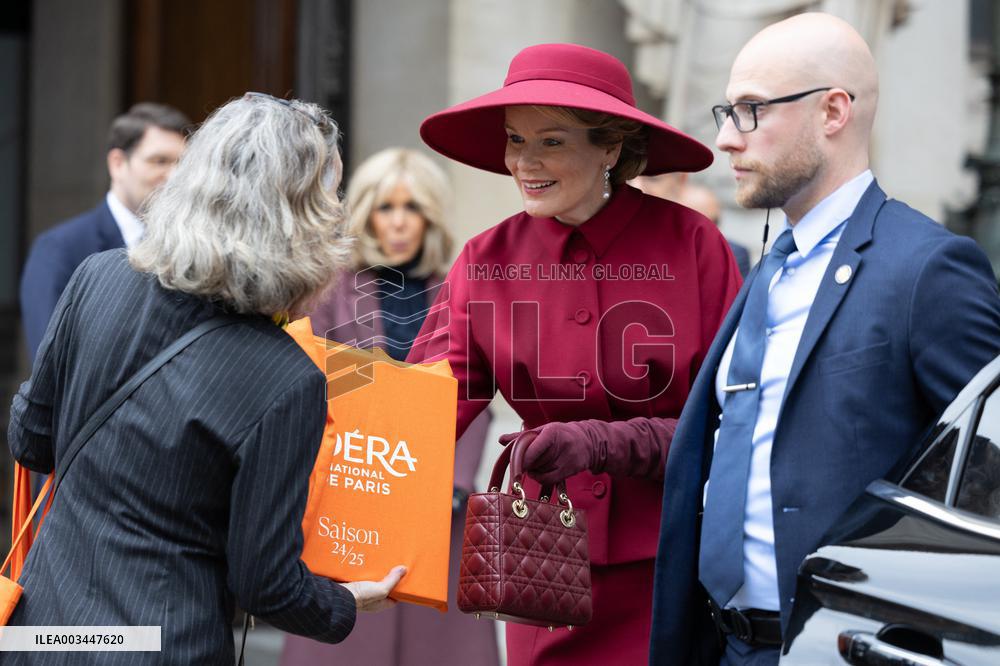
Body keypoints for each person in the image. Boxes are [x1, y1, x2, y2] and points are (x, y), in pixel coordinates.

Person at [649, 13, 1000, 665]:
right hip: (722, 646)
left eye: (751, 110)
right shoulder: (768, 268)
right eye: (728, 111)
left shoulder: (928, 270)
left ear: (833, 111)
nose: (726, 138)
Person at [7, 93, 405, 665]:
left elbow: (30, 440)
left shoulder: (97, 278)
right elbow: (266, 584)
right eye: (331, 193)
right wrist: (344, 601)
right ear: (302, 218)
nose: (339, 210)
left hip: (44, 634)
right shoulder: (286, 377)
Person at [408, 43, 743, 665]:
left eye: (552, 142)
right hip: (543, 564)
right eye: (514, 139)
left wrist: (604, 443)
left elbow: (731, 422)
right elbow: (421, 408)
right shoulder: (485, 260)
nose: (523, 162)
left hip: (673, 560)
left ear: (611, 146)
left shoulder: (693, 245)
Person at [281, 148, 499, 666]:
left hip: (438, 495)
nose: (399, 222)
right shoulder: (328, 289)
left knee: (440, 646)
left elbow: (476, 388)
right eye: (386, 207)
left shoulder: (456, 289)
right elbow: (309, 377)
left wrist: (453, 481)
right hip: (352, 488)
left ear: (431, 217)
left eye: (413, 208)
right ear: (365, 214)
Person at [19, 102, 190, 361]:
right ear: (118, 164)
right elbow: (49, 364)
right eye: (160, 161)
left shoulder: (190, 247)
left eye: (182, 163)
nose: (175, 175)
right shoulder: (60, 249)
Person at [631, 172, 752, 276]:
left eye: (653, 178)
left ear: (681, 180)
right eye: (630, 176)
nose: (636, 186)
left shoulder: (728, 256)